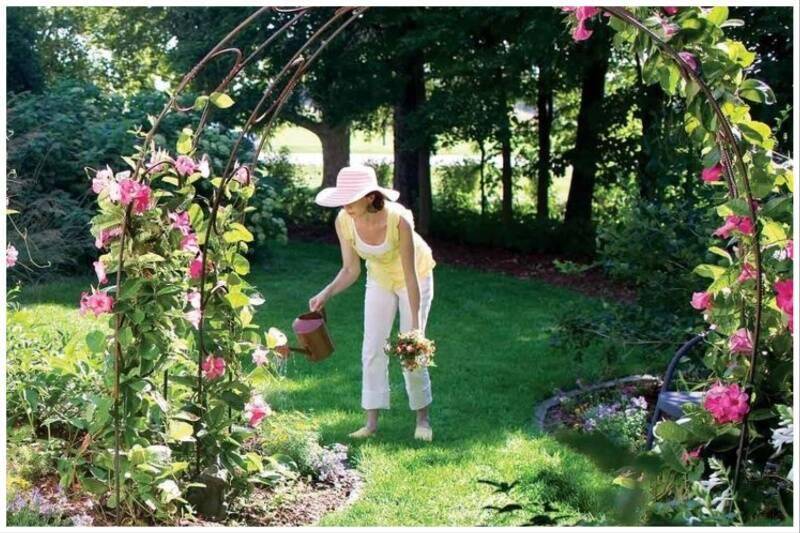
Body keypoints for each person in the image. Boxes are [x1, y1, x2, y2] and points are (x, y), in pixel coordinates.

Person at [309, 166, 436, 441]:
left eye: (351, 198)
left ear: (369, 197)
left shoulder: (398, 220)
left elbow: (411, 275)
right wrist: (326, 293)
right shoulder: (344, 220)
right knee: (372, 347)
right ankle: (371, 424)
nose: (345, 205)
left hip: (413, 276)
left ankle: (423, 420)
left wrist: (415, 328)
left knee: (411, 350)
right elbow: (350, 269)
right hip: (378, 277)